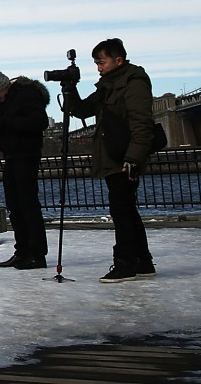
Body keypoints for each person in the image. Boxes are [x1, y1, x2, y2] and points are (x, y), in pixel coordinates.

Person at [60, 38, 157, 283]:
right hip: (114, 156)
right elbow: (83, 110)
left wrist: (133, 158)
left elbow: (142, 123)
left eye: (101, 62)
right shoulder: (108, 85)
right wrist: (70, 89)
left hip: (124, 156)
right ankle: (142, 261)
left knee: (122, 210)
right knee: (126, 210)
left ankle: (125, 264)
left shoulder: (133, 83)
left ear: (118, 60)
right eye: (96, 63)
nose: (98, 67)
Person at [0, 64, 51, 269]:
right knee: (14, 206)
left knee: (28, 205)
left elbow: (39, 122)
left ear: (4, 86)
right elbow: (7, 123)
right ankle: (22, 251)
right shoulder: (5, 99)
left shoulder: (26, 94)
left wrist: (0, 124)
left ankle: (37, 254)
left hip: (26, 154)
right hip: (12, 156)